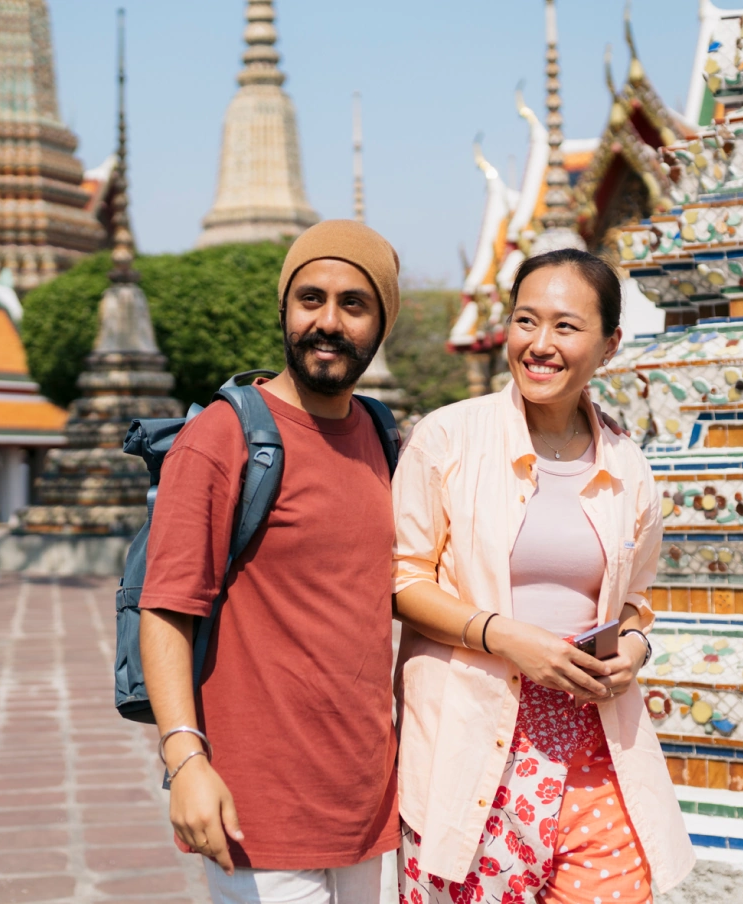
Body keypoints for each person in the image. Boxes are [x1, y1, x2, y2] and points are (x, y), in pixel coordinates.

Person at [390, 249, 694, 903]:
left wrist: (634, 651)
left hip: (594, 740)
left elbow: (638, 601)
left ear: (610, 344)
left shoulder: (629, 465)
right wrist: (502, 636)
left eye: (565, 326)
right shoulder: (446, 439)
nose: (540, 345)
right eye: (526, 321)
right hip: (469, 741)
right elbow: (403, 580)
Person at [138, 220, 404, 904]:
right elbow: (166, 608)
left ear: (381, 324)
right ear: (284, 309)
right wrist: (184, 760)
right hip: (260, 812)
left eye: (354, 304)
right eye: (310, 298)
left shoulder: (381, 435)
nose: (328, 321)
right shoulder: (224, 437)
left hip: (365, 801)